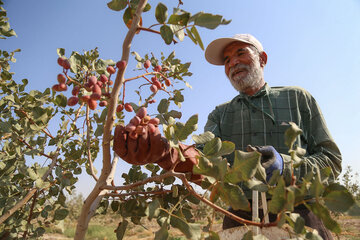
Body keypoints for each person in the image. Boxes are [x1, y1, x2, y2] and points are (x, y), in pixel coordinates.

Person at [113, 34, 342, 240]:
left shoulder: (297, 99)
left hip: (299, 214)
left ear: (262, 59)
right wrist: (164, 151)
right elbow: (202, 163)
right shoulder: (220, 114)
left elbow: (332, 161)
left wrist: (286, 167)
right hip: (238, 218)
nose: (232, 62)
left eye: (240, 53)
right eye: (226, 60)